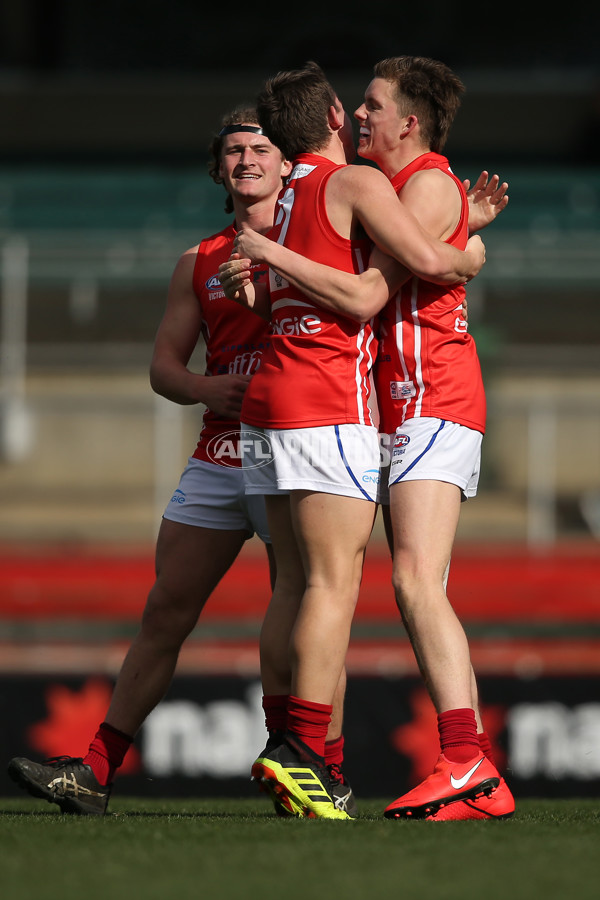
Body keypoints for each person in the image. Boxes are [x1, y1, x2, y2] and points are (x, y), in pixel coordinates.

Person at [6, 107, 353, 817]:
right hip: (224, 448)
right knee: (166, 609)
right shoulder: (199, 259)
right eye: (233, 150)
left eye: (261, 146)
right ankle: (95, 771)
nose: (247, 159)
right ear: (218, 169)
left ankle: (314, 769)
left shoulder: (325, 237)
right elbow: (165, 367)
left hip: (300, 436)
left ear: (289, 163)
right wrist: (203, 386)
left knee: (312, 603)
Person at [220, 58, 514, 822]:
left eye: (374, 107)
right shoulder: (361, 186)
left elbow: (406, 265)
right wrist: (467, 247)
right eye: (354, 108)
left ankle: (463, 762)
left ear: (409, 122)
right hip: (378, 403)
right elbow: (405, 264)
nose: (360, 117)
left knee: (405, 581)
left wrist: (462, 248)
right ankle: (331, 757)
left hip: (427, 397)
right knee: (350, 581)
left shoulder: (410, 181)